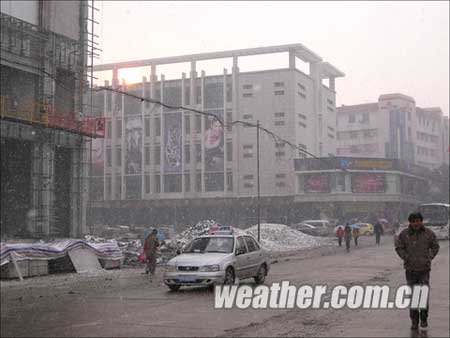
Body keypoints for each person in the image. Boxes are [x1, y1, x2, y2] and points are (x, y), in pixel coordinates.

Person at [395, 212, 440, 330]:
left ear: (421, 221)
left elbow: (435, 246)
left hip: (424, 270)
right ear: (410, 222)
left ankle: (424, 319)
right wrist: (406, 257)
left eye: (418, 221)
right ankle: (414, 321)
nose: (416, 223)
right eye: (414, 221)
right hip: (410, 270)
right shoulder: (404, 234)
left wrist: (429, 257)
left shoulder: (428, 233)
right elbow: (399, 247)